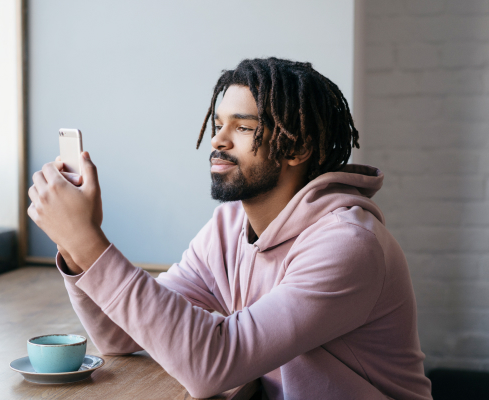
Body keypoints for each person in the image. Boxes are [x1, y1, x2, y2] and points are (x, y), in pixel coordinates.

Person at [28, 57, 433, 400]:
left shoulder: (347, 244)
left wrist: (88, 240)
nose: (218, 140)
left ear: (297, 148)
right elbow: (120, 336)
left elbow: (215, 363)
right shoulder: (229, 226)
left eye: (241, 127)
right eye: (218, 123)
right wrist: (73, 240)